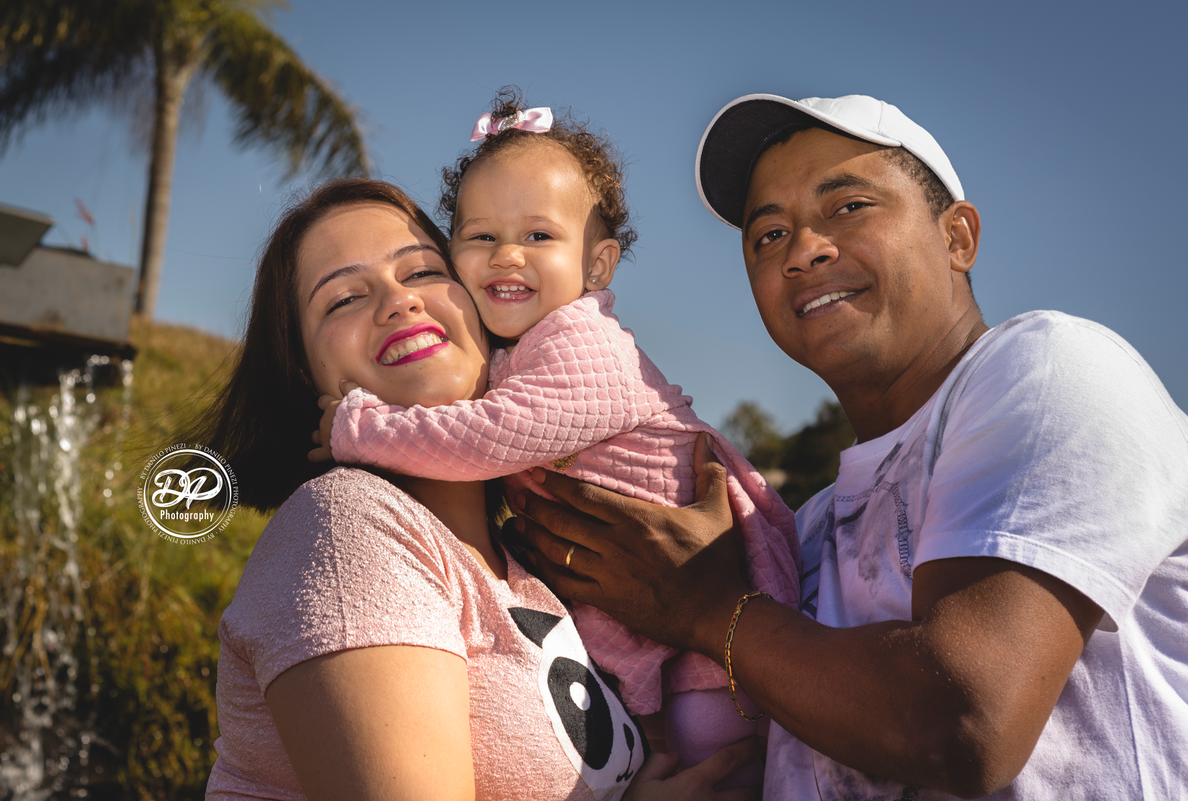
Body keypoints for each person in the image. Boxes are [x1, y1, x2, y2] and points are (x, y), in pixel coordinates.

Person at [512, 93, 1188, 800]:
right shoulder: (802, 533)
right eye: (768, 235)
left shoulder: (1048, 368)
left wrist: (710, 610)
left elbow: (963, 722)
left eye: (848, 208)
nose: (803, 249)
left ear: (958, 237)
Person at [197, 179, 760, 800]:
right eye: (344, 299)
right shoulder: (348, 526)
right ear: (303, 368)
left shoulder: (528, 569)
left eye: (421, 272)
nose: (397, 302)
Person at [309, 89, 799, 778]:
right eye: (481, 236)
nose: (507, 255)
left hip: (707, 669)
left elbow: (486, 436)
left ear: (597, 265)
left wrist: (360, 426)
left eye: (538, 236)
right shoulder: (515, 356)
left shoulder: (584, 345)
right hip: (649, 634)